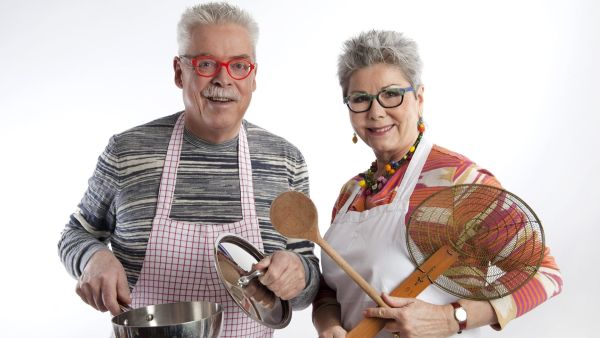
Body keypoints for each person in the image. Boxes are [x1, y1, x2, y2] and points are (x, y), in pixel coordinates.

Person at [57, 2, 320, 337]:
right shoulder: (128, 151)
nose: (223, 80)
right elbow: (75, 234)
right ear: (180, 72)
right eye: (206, 64)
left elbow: (308, 277)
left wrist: (299, 273)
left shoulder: (286, 161)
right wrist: (92, 258)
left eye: (238, 65)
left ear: (253, 76)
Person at [312, 30, 563, 338]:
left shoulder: (459, 181)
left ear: (418, 98)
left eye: (391, 94)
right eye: (360, 99)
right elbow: (330, 288)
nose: (376, 112)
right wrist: (329, 327)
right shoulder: (351, 193)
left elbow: (544, 273)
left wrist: (450, 318)